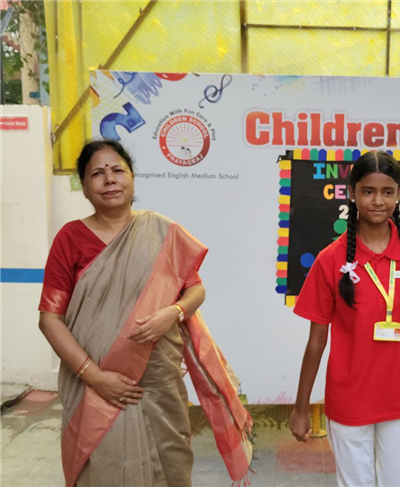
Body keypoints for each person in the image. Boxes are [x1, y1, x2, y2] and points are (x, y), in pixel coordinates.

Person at [38, 140, 252, 487]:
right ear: (85, 188)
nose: (110, 179)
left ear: (132, 178)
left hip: (158, 384)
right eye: (97, 173)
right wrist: (96, 377)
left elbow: (196, 290)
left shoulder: (159, 232)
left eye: (117, 170)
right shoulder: (71, 239)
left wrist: (174, 313)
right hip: (96, 386)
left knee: (169, 468)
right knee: (103, 470)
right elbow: (49, 319)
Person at [288, 151, 400, 487]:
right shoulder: (330, 259)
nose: (377, 201)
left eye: (387, 192)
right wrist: (301, 407)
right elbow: (316, 342)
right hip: (349, 398)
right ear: (352, 193)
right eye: (368, 191)